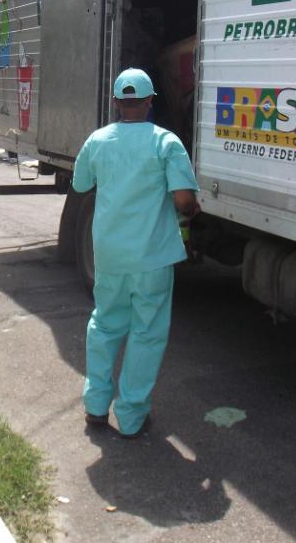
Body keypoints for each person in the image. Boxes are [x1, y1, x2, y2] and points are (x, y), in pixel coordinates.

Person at [71, 68, 199, 438]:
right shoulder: (166, 142)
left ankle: (96, 406)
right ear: (150, 102)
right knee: (146, 333)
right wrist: (190, 211)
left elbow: (81, 184)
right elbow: (184, 200)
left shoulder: (97, 141)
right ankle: (131, 416)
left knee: (105, 324)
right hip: (153, 257)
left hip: (109, 254)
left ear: (115, 103)